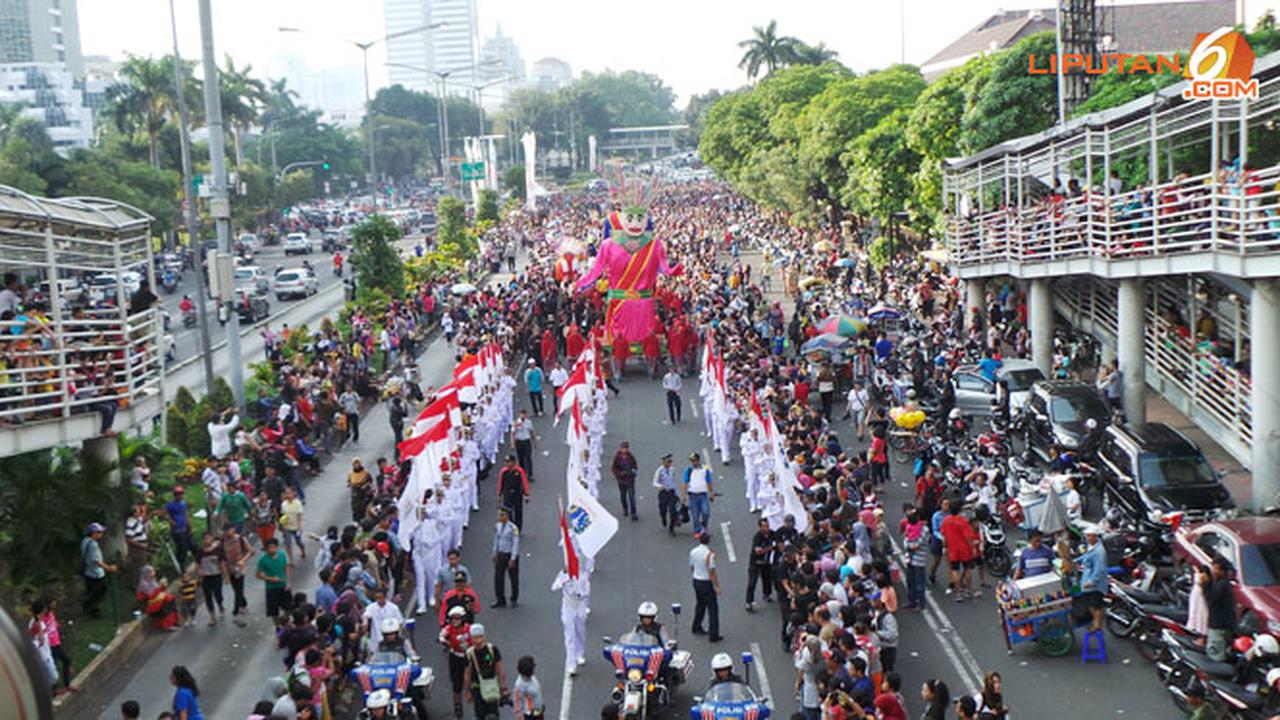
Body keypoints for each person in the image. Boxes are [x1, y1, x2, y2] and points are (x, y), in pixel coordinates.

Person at [462, 624, 509, 718]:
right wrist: (503, 688)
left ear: (484, 636)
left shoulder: (490, 650)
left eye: (480, 637)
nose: (478, 640)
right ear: (471, 638)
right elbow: (467, 674)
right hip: (481, 688)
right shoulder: (489, 649)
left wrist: (503, 686)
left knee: (488, 714)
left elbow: (500, 669)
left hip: (487, 686)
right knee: (487, 714)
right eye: (475, 637)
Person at [689, 531, 722, 642]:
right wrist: (716, 586)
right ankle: (714, 634)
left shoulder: (693, 552)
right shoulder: (709, 554)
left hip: (696, 581)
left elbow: (692, 567)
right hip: (706, 582)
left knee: (700, 604)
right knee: (712, 608)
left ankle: (696, 626)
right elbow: (712, 572)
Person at [1205, 555, 1238, 662]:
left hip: (1219, 625)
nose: (1213, 571)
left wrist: (1205, 585)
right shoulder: (1222, 584)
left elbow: (1211, 599)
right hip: (1223, 624)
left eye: (1216, 568)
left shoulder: (1222, 585)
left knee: (1215, 653)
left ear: (1222, 571)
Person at [80, 522, 116, 618]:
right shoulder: (93, 545)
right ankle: (93, 612)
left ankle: (87, 607)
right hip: (96, 573)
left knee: (91, 592)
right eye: (99, 532)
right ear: (94, 533)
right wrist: (108, 568)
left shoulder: (85, 541)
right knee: (98, 593)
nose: (101, 534)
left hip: (88, 572)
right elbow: (96, 561)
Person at [1077, 524, 1108, 633]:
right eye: (1087, 536)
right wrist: (1076, 561)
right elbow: (1086, 557)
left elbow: (1100, 569)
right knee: (1090, 603)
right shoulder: (1091, 547)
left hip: (1095, 584)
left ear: (1095, 536)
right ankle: (1095, 622)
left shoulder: (1099, 551)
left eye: (1090, 536)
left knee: (1096, 604)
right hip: (1087, 579)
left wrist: (1092, 581)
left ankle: (1097, 624)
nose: (1088, 538)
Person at [491, 507, 520, 608]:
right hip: (501, 554)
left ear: (507, 516)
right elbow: (496, 540)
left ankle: (514, 598)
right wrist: (494, 553)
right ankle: (500, 599)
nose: (500, 517)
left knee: (513, 578)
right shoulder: (497, 526)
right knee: (498, 578)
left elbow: (515, 544)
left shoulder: (513, 528)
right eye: (499, 515)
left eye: (502, 515)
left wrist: (513, 558)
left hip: (510, 554)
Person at [220, 526, 253, 615]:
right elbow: (222, 558)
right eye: (225, 530)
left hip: (239, 567)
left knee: (239, 588)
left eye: (228, 530)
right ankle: (243, 604)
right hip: (229, 568)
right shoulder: (222, 542)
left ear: (233, 529)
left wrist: (243, 560)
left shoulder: (241, 539)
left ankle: (236, 610)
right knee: (236, 589)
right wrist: (225, 575)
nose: (227, 532)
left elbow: (250, 551)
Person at [136, 565, 180, 631]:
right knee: (166, 603)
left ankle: (174, 621)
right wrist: (160, 587)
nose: (153, 573)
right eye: (151, 572)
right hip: (150, 605)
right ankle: (168, 625)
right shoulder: (144, 584)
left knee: (170, 598)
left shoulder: (152, 580)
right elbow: (151, 595)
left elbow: (158, 591)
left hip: (156, 600)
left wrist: (163, 586)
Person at [681, 452, 714, 537]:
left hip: (703, 495)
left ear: (698, 460)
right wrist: (683, 495)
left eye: (694, 460)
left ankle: (704, 527)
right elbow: (685, 483)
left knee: (706, 512)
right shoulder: (688, 470)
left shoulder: (705, 469)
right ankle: (697, 531)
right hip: (693, 496)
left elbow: (709, 481)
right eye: (691, 461)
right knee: (695, 515)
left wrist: (711, 493)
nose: (693, 462)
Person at [256, 537, 290, 618]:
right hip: (271, 588)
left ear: (277, 547)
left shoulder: (282, 555)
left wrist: (288, 582)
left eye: (274, 547)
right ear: (266, 549)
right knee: (273, 612)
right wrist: (270, 579)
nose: (272, 549)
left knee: (289, 608)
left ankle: (285, 622)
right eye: (269, 548)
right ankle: (278, 627)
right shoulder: (263, 560)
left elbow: (286, 568)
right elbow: (258, 575)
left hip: (283, 586)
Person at [746, 517, 773, 611]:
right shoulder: (757, 537)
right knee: (752, 582)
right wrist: (769, 548)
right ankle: (749, 601)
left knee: (767, 578)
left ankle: (767, 594)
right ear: (760, 527)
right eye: (764, 526)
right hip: (756, 562)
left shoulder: (771, 534)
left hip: (765, 561)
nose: (767, 528)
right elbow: (758, 551)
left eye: (768, 526)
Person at [497, 455, 530, 529]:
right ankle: (510, 527)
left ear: (514, 462)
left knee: (518, 511)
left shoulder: (519, 471)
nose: (507, 464)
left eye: (509, 462)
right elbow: (500, 483)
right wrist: (499, 494)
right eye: (506, 462)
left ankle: (518, 528)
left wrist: (526, 494)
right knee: (507, 511)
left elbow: (524, 482)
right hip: (507, 494)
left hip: (517, 493)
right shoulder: (503, 472)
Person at [611, 441, 639, 521]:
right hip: (621, 480)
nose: (624, 450)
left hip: (630, 480)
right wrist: (619, 474)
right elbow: (614, 468)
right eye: (623, 448)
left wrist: (633, 472)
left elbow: (635, 466)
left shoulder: (630, 457)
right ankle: (625, 508)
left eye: (626, 448)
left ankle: (634, 513)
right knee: (623, 496)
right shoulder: (617, 457)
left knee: (632, 496)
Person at [653, 452, 680, 535]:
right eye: (668, 462)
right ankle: (663, 518)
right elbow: (654, 482)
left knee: (673, 511)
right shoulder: (659, 471)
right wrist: (660, 486)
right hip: (663, 493)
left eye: (670, 461)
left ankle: (671, 529)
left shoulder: (672, 469)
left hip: (671, 492)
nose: (669, 463)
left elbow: (673, 480)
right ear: (663, 462)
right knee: (663, 509)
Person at [512, 655, 545, 719]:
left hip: (538, 712)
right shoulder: (520, 685)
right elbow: (517, 702)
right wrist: (519, 716)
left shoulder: (532, 678)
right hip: (529, 715)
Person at [510, 410, 536, 484]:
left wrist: (534, 441)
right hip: (519, 442)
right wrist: (512, 443)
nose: (523, 416)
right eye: (521, 414)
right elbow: (513, 433)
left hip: (526, 441)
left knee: (528, 457)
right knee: (520, 458)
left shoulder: (529, 422)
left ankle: (530, 474)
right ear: (519, 414)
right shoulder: (516, 423)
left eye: (524, 414)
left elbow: (531, 432)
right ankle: (523, 473)